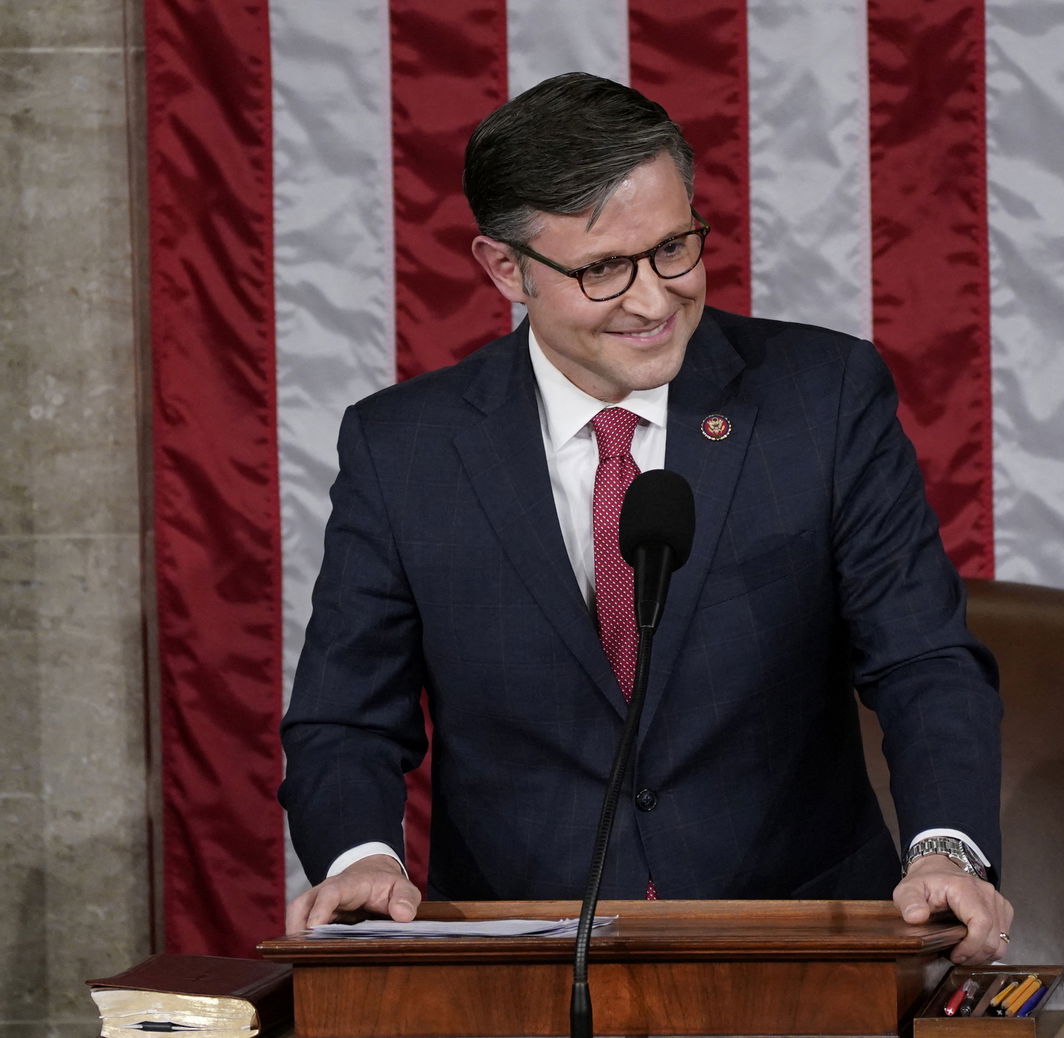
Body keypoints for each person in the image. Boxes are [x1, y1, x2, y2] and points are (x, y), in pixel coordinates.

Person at [278, 72, 1013, 964]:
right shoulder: (405, 449)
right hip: (521, 953)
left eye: (675, 248)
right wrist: (362, 855)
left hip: (798, 941)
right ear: (504, 269)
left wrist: (944, 846)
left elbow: (920, 657)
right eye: (601, 269)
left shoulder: (822, 399)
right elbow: (346, 717)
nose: (656, 300)